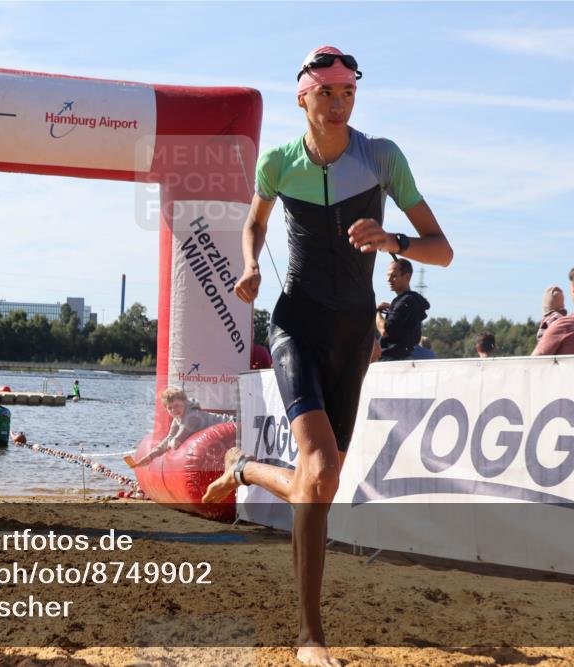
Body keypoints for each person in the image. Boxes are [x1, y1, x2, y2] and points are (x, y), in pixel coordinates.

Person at [201, 45, 453, 667]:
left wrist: (395, 239)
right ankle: (310, 638)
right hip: (296, 324)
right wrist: (252, 263)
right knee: (317, 467)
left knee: (323, 482)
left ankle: (248, 469)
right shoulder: (279, 162)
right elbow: (254, 223)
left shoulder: (381, 157)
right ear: (303, 99)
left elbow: (442, 250)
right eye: (327, 95)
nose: (339, 105)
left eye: (348, 95)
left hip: (352, 337)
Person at [125, 387, 225, 468]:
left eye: (177, 405)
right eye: (170, 408)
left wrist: (170, 442)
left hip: (232, 424)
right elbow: (169, 439)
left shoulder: (191, 417)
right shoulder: (178, 418)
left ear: (185, 402)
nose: (173, 410)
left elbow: (176, 443)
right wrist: (150, 457)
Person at [376, 259, 430, 361]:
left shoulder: (405, 302)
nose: (389, 279)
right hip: (404, 358)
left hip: (392, 361)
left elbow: (385, 331)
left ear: (407, 276)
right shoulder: (412, 301)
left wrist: (377, 312)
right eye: (388, 275)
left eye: (394, 276)